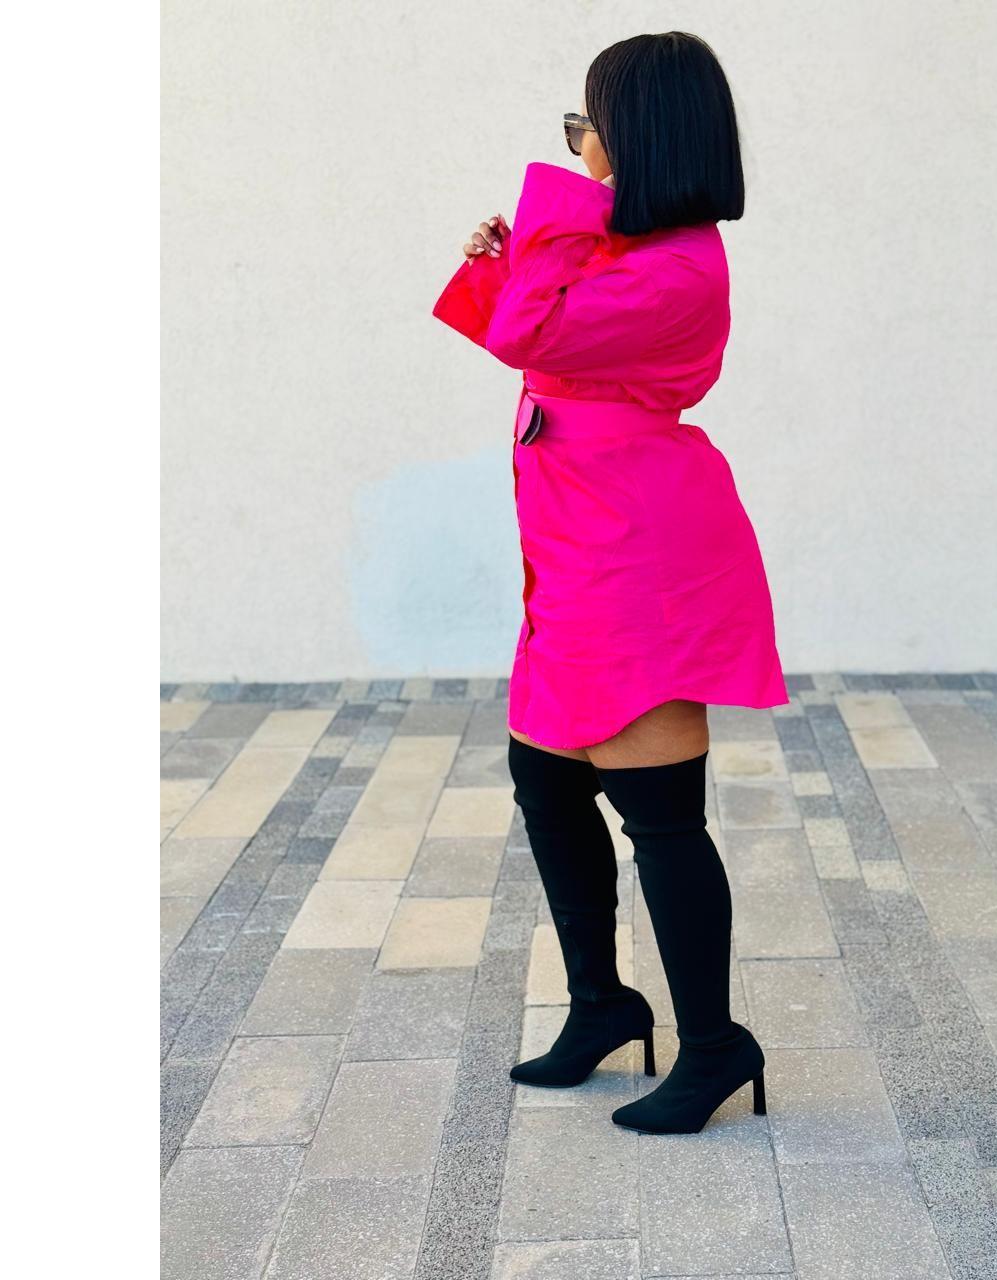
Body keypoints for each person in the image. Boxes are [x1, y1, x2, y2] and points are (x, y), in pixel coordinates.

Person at [431, 32, 787, 1135]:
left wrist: (548, 223)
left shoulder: (678, 266)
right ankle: (603, 1004)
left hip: (638, 552)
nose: (575, 144)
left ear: (638, 135)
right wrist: (512, 253)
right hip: (574, 538)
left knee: (658, 814)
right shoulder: (619, 240)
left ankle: (715, 1044)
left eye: (583, 125)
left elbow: (529, 332)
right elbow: (505, 321)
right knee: (543, 776)